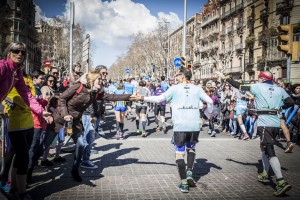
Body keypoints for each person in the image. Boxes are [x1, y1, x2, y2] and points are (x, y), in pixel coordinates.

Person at [37, 69, 131, 182]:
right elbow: (62, 98)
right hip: (59, 119)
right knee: (44, 146)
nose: (101, 81)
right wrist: (65, 114)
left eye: (101, 79)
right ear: (92, 80)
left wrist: (129, 97)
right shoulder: (79, 86)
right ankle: (28, 170)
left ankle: (75, 170)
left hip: (74, 122)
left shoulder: (96, 92)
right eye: (99, 79)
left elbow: (111, 97)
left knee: (81, 144)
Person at [132, 67, 213, 193]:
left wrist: (141, 99)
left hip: (180, 126)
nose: (176, 77)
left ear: (182, 76)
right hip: (194, 125)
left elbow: (159, 99)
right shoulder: (197, 89)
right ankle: (190, 173)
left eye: (178, 75)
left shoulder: (175, 88)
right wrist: (208, 114)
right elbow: (210, 101)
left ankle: (184, 183)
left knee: (179, 153)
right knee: (191, 148)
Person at [216, 70, 294, 197]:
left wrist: (225, 78)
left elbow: (239, 86)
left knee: (269, 150)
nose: (258, 80)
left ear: (262, 78)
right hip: (275, 123)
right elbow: (290, 102)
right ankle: (264, 173)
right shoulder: (279, 89)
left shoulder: (257, 87)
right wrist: (279, 107)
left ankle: (281, 181)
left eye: (259, 78)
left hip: (264, 122)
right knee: (264, 147)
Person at [0, 42, 52, 200]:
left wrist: (42, 112)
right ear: (9, 52)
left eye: (23, 52)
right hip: (13, 120)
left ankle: (16, 190)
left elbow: (27, 96)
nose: (20, 54)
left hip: (26, 122)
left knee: (18, 155)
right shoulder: (3, 66)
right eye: (16, 51)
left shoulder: (17, 72)